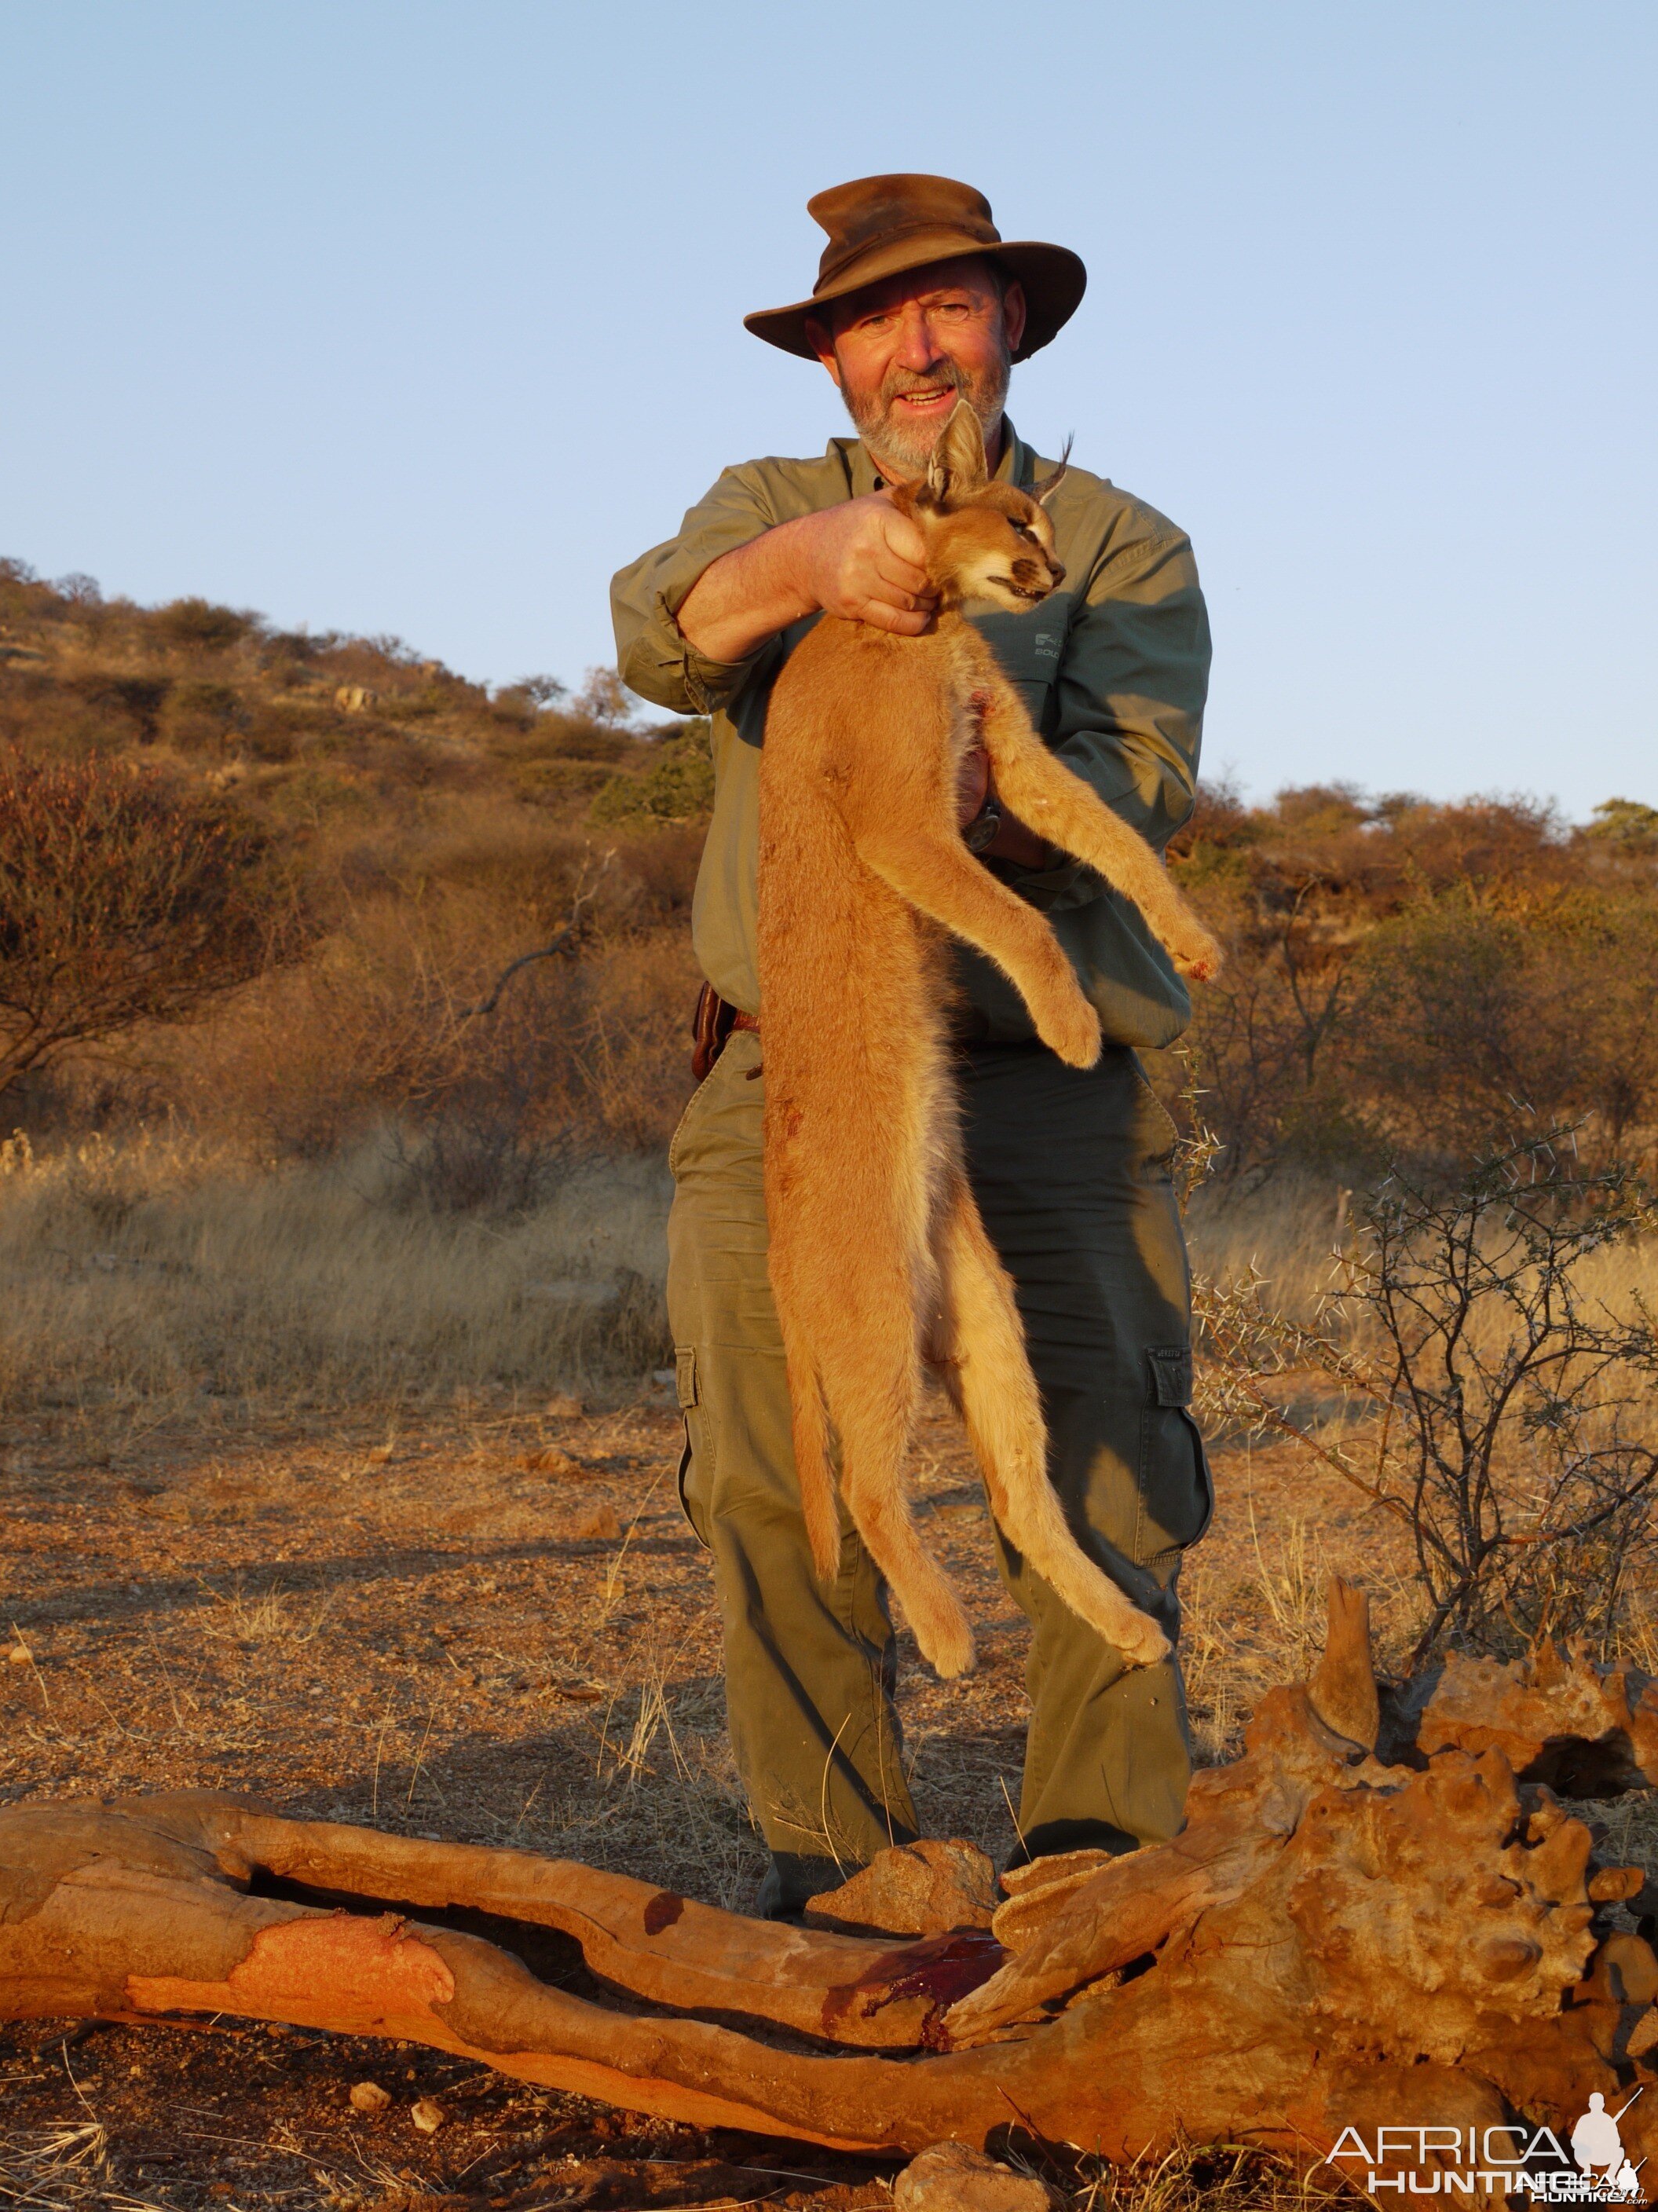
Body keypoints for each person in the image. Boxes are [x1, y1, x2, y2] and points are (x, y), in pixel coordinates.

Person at [611, 173, 1214, 1920]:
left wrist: (970, 801)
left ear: (1010, 324)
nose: (917, 345)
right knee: (773, 1465)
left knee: (1106, 1449)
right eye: (875, 318)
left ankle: (1097, 1901)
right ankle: (847, 1904)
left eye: (951, 306)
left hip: (1041, 1069)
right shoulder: (768, 507)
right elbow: (657, 635)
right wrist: (808, 567)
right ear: (834, 363)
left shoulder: (1111, 541)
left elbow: (1138, 785)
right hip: (789, 1068)